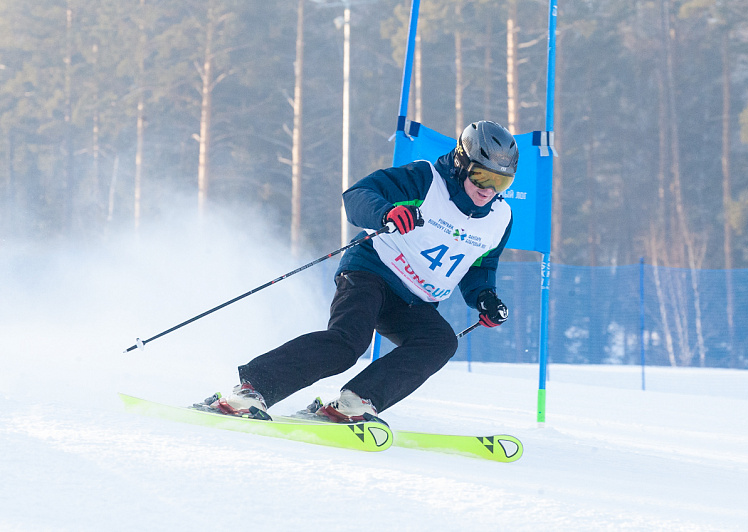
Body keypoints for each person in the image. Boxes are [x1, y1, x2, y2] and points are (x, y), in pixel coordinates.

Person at [201, 120, 519, 422]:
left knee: (440, 342)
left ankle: (355, 402)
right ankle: (252, 389)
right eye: (482, 177)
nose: (488, 190)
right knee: (348, 343)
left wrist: (484, 296)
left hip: (415, 300)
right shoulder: (425, 179)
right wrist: (386, 213)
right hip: (371, 271)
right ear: (462, 164)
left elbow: (480, 265)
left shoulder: (500, 218)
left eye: (500, 182)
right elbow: (357, 195)